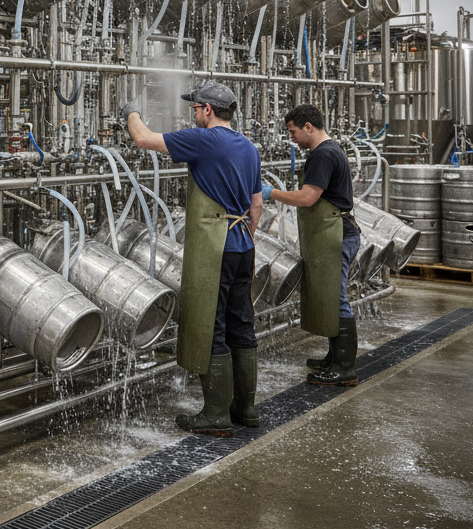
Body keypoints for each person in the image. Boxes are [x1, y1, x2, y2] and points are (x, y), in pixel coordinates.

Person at [120, 81, 263, 437]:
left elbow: (143, 139)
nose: (194, 114)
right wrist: (243, 237)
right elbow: (256, 205)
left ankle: (215, 414)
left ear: (208, 110)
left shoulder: (204, 140)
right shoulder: (249, 147)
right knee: (241, 325)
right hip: (243, 245)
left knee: (209, 325)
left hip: (215, 250)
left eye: (196, 109)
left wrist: (130, 111)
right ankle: (245, 409)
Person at [262, 104, 359, 387]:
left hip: (337, 235)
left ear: (308, 127)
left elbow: (307, 198)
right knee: (330, 295)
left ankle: (344, 367)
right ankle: (334, 358)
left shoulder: (323, 154)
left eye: (292, 131)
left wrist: (271, 192)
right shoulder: (330, 150)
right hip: (335, 232)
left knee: (336, 297)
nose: (290, 137)